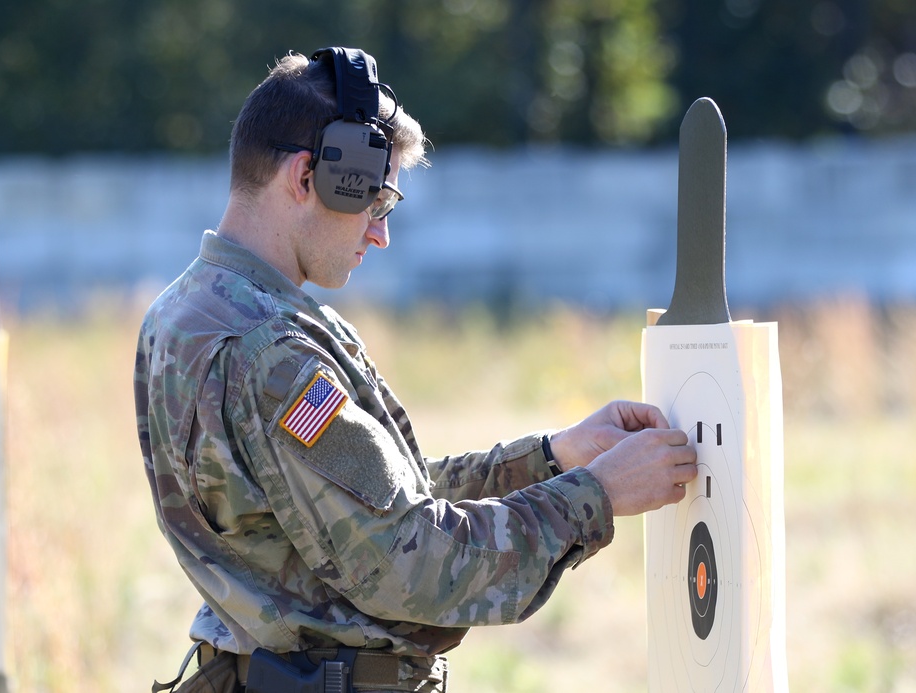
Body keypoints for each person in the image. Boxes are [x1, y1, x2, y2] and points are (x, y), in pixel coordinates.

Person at [134, 46, 697, 693]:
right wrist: (596, 495)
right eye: (375, 202)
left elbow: (371, 498)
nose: (380, 234)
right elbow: (414, 564)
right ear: (305, 178)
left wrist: (553, 457)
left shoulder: (183, 312)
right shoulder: (271, 349)